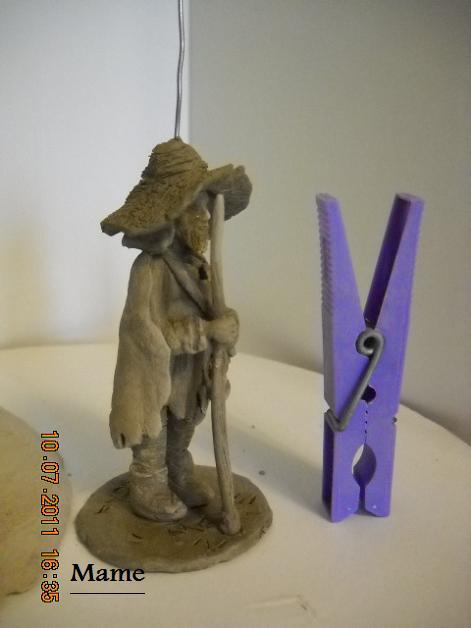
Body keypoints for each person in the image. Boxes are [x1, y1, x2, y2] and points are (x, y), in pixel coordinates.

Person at [101, 138, 251, 521]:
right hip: (155, 373)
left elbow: (214, 311)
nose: (203, 218)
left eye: (205, 208)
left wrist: (227, 325)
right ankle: (148, 484)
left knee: (183, 427)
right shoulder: (149, 269)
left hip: (189, 372)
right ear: (171, 215)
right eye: (194, 208)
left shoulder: (199, 267)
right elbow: (146, 332)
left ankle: (179, 472)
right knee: (155, 432)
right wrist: (207, 332)